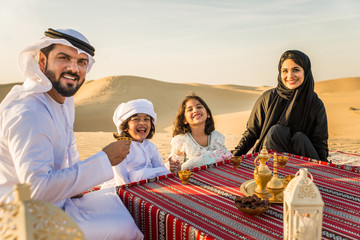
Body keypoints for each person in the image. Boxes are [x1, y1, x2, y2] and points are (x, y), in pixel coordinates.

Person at [0, 28, 143, 240]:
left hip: (59, 201)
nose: (73, 68)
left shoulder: (63, 102)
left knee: (120, 205)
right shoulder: (29, 113)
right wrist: (104, 159)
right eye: (64, 58)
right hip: (25, 220)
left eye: (81, 62)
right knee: (125, 229)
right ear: (42, 61)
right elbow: (37, 189)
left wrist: (77, 187)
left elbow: (69, 152)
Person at [232, 50, 329, 162]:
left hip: (303, 161)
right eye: (285, 71)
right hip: (269, 160)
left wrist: (324, 166)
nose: (290, 76)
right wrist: (235, 156)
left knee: (300, 138)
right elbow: (252, 133)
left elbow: (319, 142)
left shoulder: (315, 104)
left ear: (306, 72)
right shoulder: (268, 98)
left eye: (296, 70)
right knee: (276, 132)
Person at [101, 99, 170, 188]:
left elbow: (161, 169)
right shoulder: (120, 148)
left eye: (146, 119)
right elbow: (121, 179)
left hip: (148, 184)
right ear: (125, 127)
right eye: (136, 119)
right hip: (124, 187)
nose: (142, 123)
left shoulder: (151, 147)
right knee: (144, 173)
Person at [168, 94, 233, 172]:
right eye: (190, 109)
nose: (195, 110)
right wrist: (174, 167)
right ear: (184, 120)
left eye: (199, 107)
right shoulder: (181, 141)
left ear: (208, 114)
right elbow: (175, 168)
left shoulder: (217, 137)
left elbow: (226, 159)